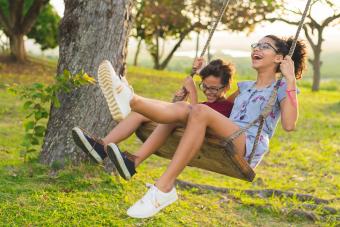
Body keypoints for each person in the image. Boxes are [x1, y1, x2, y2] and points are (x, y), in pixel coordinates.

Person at [98, 35, 307, 218]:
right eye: (256, 45)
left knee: (199, 111)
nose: (257, 49)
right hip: (228, 133)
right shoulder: (244, 87)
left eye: (265, 46)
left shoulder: (282, 87)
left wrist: (290, 80)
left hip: (248, 144)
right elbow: (217, 106)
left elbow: (289, 124)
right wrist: (197, 76)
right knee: (183, 107)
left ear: (279, 58)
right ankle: (132, 102)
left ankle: (164, 187)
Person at [72, 59, 235, 180]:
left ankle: (129, 99)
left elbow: (195, 119)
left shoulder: (225, 107)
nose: (208, 92)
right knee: (140, 113)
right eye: (204, 87)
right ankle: (104, 148)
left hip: (202, 142)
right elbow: (186, 113)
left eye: (214, 88)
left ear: (226, 87)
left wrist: (192, 92)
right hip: (181, 129)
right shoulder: (207, 103)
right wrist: (179, 100)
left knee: (159, 111)